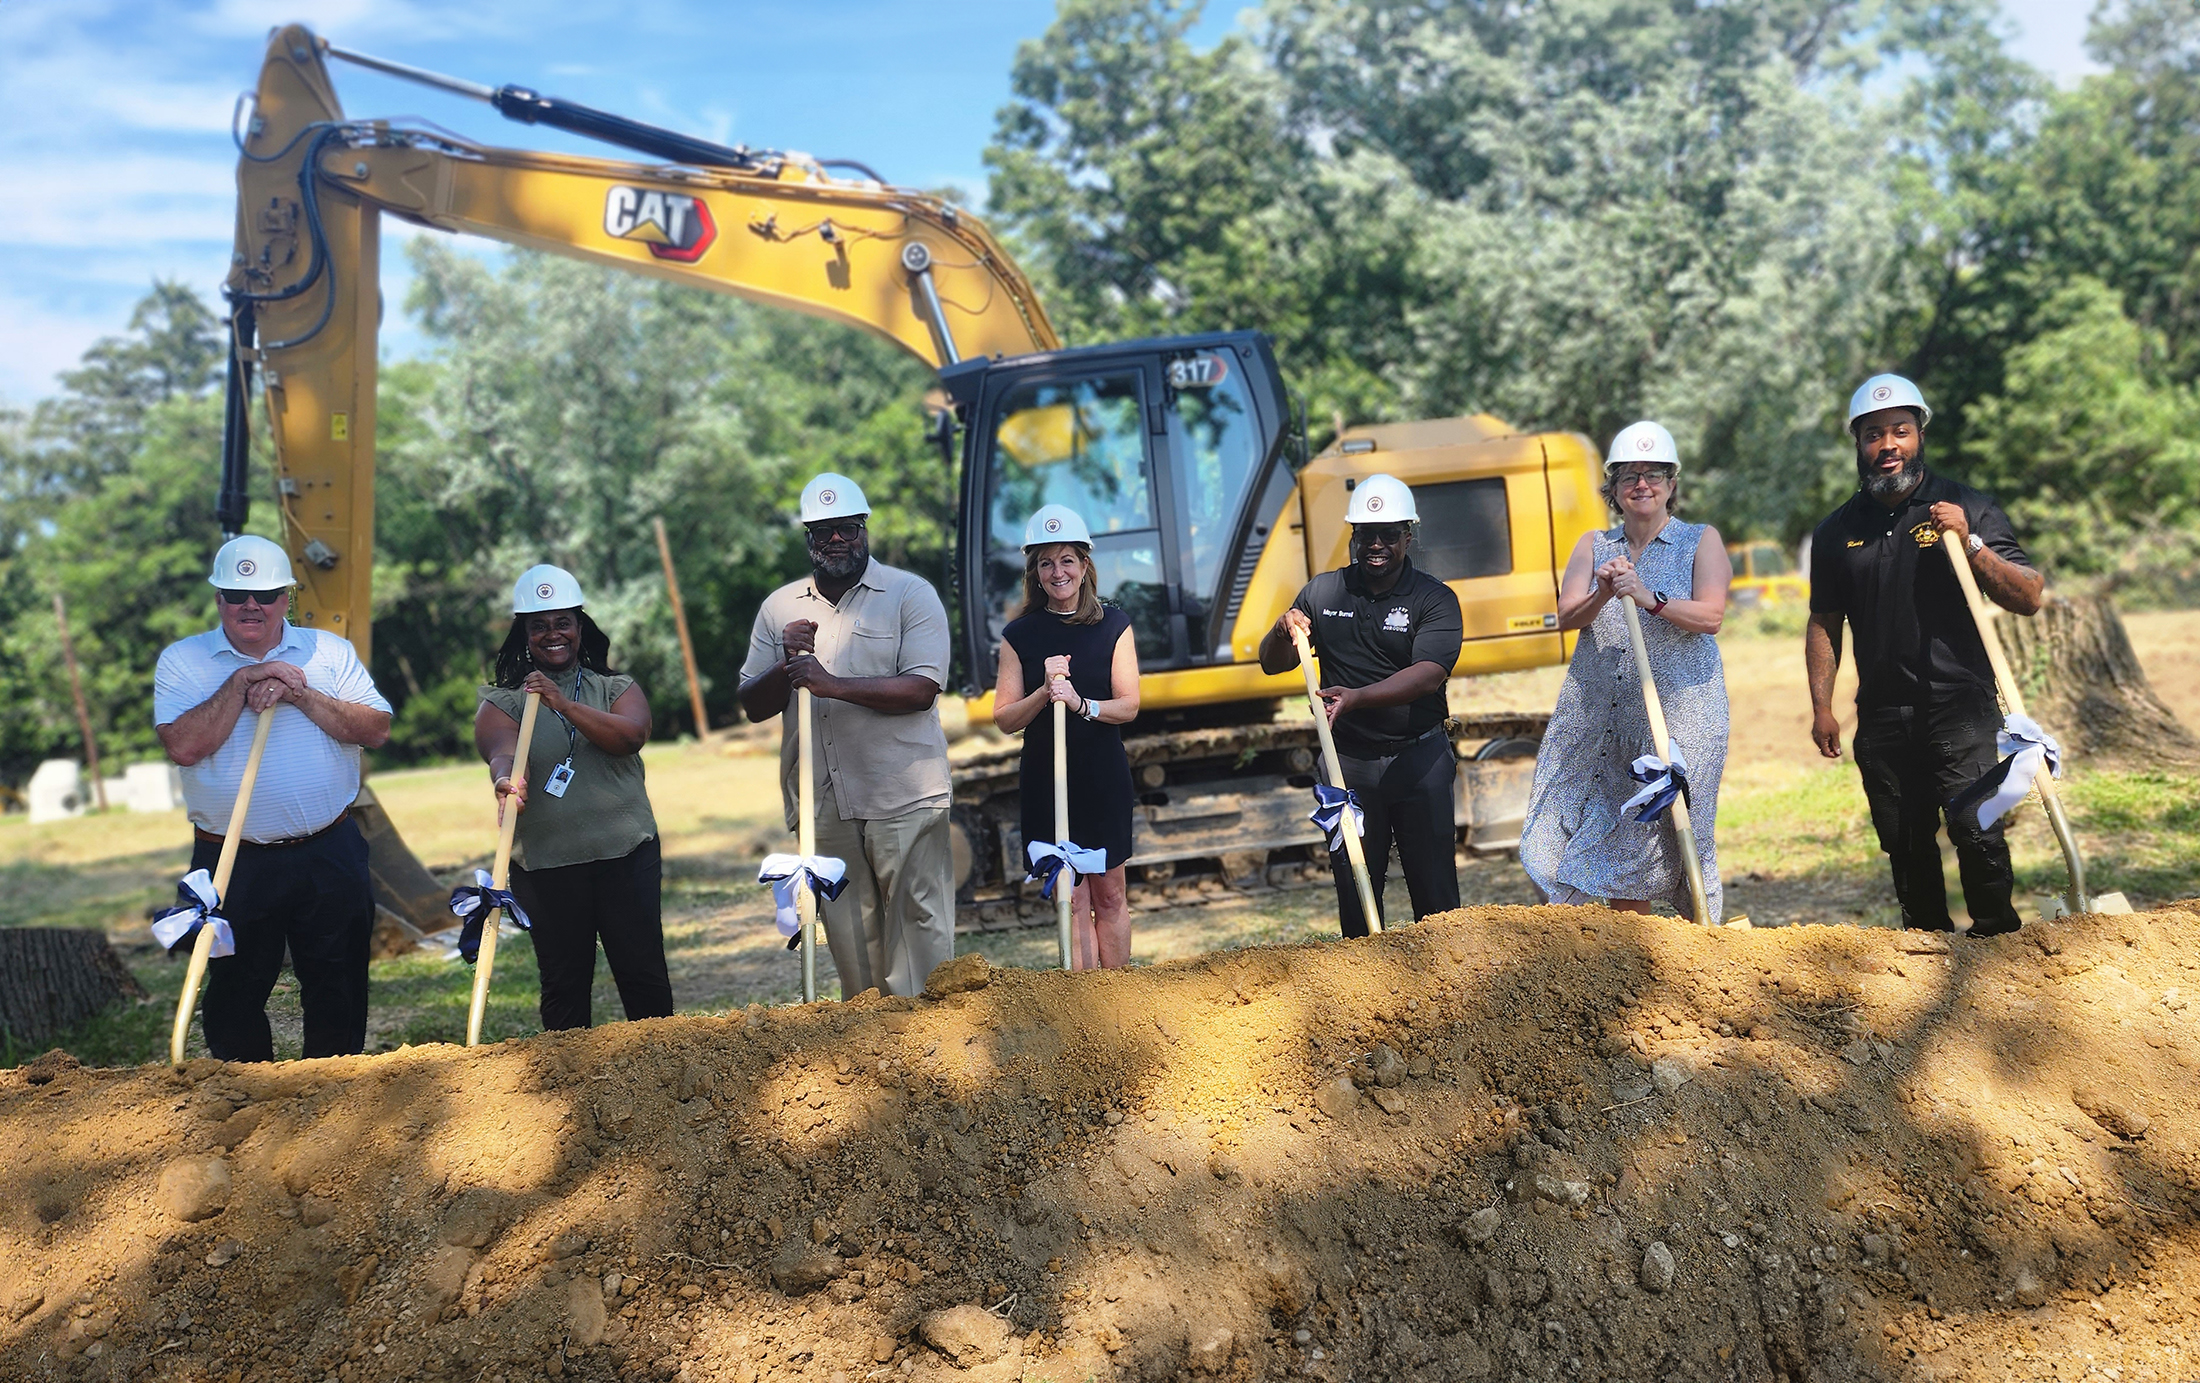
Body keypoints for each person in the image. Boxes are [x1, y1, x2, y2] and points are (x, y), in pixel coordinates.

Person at [1807, 374, 2043, 934]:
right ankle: (1926, 953)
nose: (1888, 445)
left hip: (1960, 702)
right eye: (1874, 434)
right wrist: (1822, 706)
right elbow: (1824, 621)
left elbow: (2028, 595)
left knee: (1976, 825)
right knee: (1904, 839)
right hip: (1884, 712)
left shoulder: (1965, 504)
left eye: (1900, 431)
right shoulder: (1836, 531)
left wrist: (1972, 543)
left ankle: (1996, 942)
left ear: (1918, 437)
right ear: (1858, 444)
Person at [153, 535, 393, 1061]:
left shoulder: (328, 652)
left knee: (339, 985)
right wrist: (242, 682)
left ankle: (334, 1094)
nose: (251, 606)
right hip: (231, 857)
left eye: (265, 594)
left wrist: (299, 693)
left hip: (328, 849)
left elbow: (376, 730)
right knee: (235, 992)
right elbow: (184, 746)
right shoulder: (184, 662)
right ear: (218, 600)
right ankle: (247, 1104)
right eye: (237, 595)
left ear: (287, 597)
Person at [738, 473, 956, 996]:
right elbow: (752, 704)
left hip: (902, 788)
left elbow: (922, 689)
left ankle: (933, 1049)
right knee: (849, 934)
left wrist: (830, 685)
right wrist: (785, 663)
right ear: (808, 539)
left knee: (918, 926)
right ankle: (870, 1049)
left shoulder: (910, 594)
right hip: (823, 800)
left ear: (865, 529)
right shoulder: (779, 608)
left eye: (846, 528)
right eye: (822, 531)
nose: (836, 539)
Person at [1520, 422, 1731, 921]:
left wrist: (1648, 598)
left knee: (1662, 827)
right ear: (1612, 488)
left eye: (1654, 474)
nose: (1643, 484)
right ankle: (1619, 949)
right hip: (1596, 712)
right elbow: (1566, 617)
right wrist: (1602, 591)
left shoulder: (1701, 540)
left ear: (1672, 484)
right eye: (1630, 475)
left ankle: (1688, 942)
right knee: (1574, 814)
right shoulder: (1594, 545)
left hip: (1682, 711)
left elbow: (1711, 617)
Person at [1258, 474, 1464, 937]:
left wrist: (1356, 698)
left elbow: (1428, 674)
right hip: (1347, 766)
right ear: (1353, 536)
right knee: (1356, 896)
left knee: (1436, 900)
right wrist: (1281, 628)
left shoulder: (1434, 598)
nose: (1377, 544)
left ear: (1408, 536)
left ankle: (1449, 994)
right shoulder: (1323, 593)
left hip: (1420, 762)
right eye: (1366, 534)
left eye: (1389, 534)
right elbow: (1273, 665)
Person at [474, 564, 672, 1029]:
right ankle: (565, 1089)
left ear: (580, 629)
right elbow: (501, 752)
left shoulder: (616, 689)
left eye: (562, 622)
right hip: (546, 866)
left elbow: (630, 736)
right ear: (523, 633)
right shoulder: (503, 702)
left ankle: (665, 1074)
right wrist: (505, 779)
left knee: (643, 975)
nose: (552, 634)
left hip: (626, 854)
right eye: (538, 626)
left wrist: (562, 703)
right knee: (563, 985)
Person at [991, 505, 1142, 969]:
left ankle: (1118, 997)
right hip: (1047, 781)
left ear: (1084, 565)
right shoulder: (1019, 635)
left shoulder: (1114, 626)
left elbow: (1129, 705)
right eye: (1046, 562)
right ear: (1035, 573)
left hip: (1101, 777)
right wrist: (1044, 692)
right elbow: (1005, 717)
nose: (1058, 572)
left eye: (1067, 560)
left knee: (1110, 894)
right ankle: (1085, 1008)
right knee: (1071, 899)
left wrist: (1080, 703)